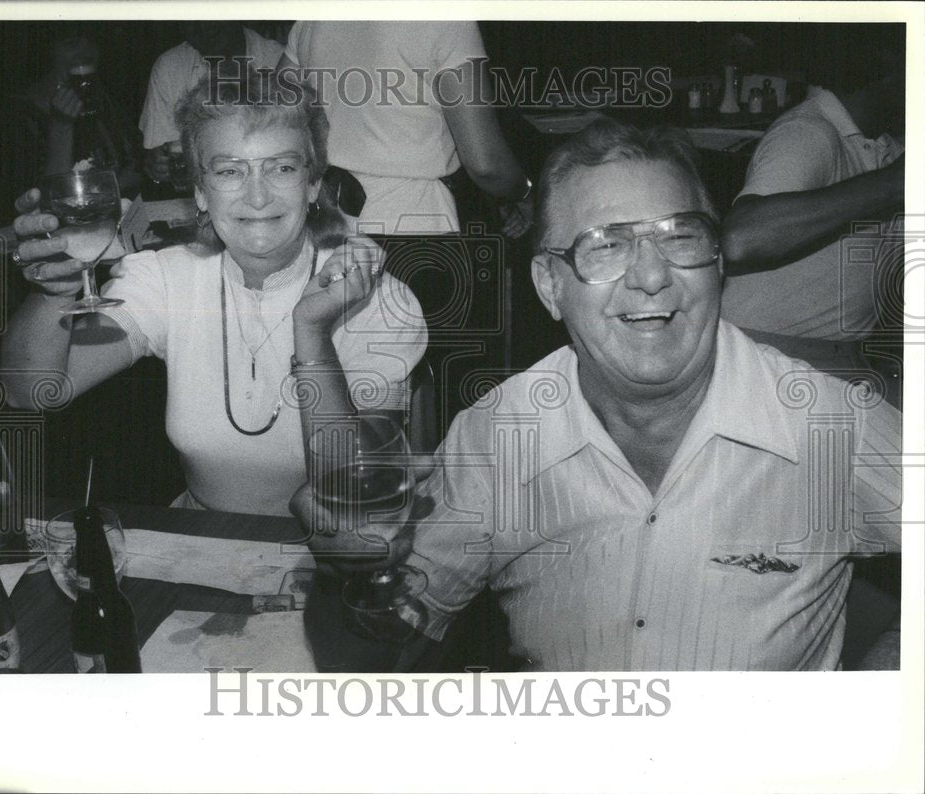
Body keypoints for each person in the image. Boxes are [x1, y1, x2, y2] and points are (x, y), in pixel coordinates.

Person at [292, 117, 902, 671]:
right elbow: (375, 655)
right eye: (605, 245)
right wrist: (347, 575)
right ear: (549, 286)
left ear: (717, 262)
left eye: (680, 237)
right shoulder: (500, 437)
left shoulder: (827, 424)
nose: (651, 275)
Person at [2, 72, 427, 517]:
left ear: (314, 184)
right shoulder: (167, 279)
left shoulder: (376, 301)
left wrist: (313, 331)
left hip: (333, 557)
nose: (257, 196)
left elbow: (361, 497)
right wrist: (54, 293)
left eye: (281, 167)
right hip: (202, 543)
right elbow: (31, 391)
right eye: (229, 171)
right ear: (201, 193)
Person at [719, 35, 905, 388]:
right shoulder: (807, 133)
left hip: (843, 358)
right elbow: (742, 238)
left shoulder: (884, 145)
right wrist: (894, 184)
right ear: (886, 67)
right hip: (762, 357)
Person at [279, 21, 533, 237]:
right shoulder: (445, 17)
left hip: (326, 223)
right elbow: (485, 164)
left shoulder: (313, 16)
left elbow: (274, 115)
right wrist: (524, 194)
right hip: (412, 226)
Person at [0, 31, 140, 225]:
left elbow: (136, 169)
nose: (85, 51)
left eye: (92, 40)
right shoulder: (14, 117)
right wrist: (62, 127)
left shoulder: (104, 101)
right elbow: (37, 205)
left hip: (111, 227)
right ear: (47, 51)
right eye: (71, 42)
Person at [140, 22, 284, 193]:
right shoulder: (170, 67)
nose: (204, 26)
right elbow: (162, 157)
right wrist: (159, 165)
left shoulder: (282, 61)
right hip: (198, 198)